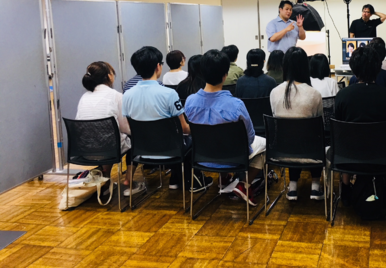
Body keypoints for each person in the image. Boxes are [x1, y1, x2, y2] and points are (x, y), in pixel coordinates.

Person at [122, 46, 212, 194]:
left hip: (141, 151)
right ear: (158, 66)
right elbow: (184, 128)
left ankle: (176, 179)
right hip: (171, 150)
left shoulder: (126, 95)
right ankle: (192, 181)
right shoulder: (169, 94)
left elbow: (130, 128)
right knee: (190, 139)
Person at [185, 50, 266, 206]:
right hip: (234, 158)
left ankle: (224, 178)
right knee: (263, 144)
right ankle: (244, 185)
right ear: (225, 75)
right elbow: (249, 137)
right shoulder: (236, 105)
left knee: (215, 137)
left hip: (202, 157)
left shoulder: (190, 102)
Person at [334, 46, 386, 202]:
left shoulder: (342, 95)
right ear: (378, 69)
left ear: (353, 69)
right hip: (383, 156)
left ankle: (345, 188)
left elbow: (339, 126)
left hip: (348, 157)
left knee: (346, 141)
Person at [270, 47, 324, 201]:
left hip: (281, 151)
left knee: (290, 135)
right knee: (314, 136)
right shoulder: (314, 94)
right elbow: (319, 122)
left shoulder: (275, 92)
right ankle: (315, 186)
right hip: (310, 152)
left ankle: (292, 186)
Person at [75, 61, 139, 193]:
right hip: (109, 149)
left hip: (84, 150)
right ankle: (129, 181)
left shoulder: (84, 97)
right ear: (109, 76)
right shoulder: (117, 96)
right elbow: (125, 128)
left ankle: (105, 181)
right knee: (134, 139)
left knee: (105, 138)